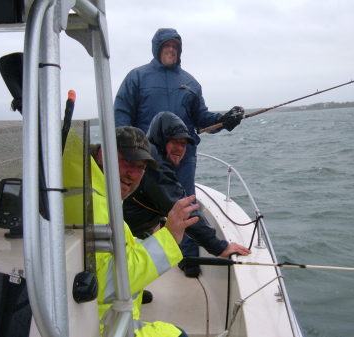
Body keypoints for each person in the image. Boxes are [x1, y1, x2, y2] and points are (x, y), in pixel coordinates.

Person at [114, 27, 244, 263]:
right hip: (146, 157)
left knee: (185, 203)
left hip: (183, 156)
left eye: (175, 47)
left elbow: (202, 119)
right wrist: (127, 150)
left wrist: (224, 121)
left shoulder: (190, 83)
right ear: (157, 48)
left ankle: (189, 258)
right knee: (136, 207)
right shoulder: (137, 77)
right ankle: (134, 260)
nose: (171, 50)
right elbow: (121, 115)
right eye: (167, 46)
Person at [63, 126, 197, 337]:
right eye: (127, 162)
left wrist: (150, 241)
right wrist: (169, 238)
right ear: (102, 154)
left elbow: (108, 254)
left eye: (141, 167)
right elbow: (107, 285)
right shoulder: (95, 207)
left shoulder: (84, 189)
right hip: (99, 326)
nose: (133, 174)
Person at [123, 111, 251, 278]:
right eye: (174, 142)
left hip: (131, 227)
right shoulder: (156, 165)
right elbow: (183, 209)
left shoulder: (152, 152)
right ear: (161, 139)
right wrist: (220, 247)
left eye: (183, 143)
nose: (180, 148)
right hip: (126, 232)